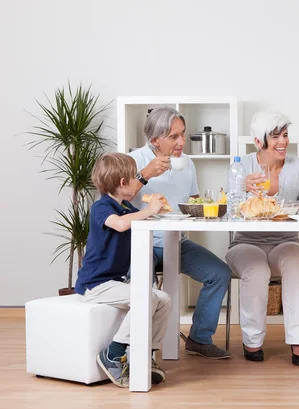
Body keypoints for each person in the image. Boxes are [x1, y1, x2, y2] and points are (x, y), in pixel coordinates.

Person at [129, 107, 232, 359]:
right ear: (155, 139)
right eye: (174, 137)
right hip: (139, 242)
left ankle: (199, 338)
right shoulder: (132, 160)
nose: (182, 142)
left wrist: (213, 204)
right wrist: (145, 175)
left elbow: (194, 201)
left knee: (219, 273)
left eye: (183, 135)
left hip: (176, 240)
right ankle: (143, 351)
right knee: (148, 289)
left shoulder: (187, 163)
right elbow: (116, 199)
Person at [226, 111, 299, 366]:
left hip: (286, 240)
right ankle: (252, 340)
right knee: (256, 270)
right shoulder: (241, 166)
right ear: (258, 142)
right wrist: (240, 186)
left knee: (295, 263)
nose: (283, 142)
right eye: (275, 136)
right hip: (246, 242)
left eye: (285, 135)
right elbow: (229, 212)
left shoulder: (298, 166)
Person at [75, 153, 171, 388]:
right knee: (146, 297)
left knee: (164, 299)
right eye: (133, 178)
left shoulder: (125, 207)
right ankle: (113, 354)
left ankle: (144, 356)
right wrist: (148, 211)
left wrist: (155, 209)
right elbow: (119, 224)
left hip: (114, 283)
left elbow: (135, 218)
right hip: (95, 285)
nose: (137, 182)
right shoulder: (100, 207)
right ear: (122, 183)